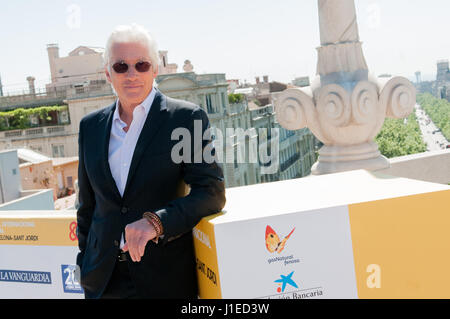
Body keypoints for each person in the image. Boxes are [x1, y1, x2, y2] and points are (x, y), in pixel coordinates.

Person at [76, 24, 226, 299]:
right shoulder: (90, 127)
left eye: (141, 65)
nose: (132, 75)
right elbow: (87, 207)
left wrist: (156, 222)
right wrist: (84, 265)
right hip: (102, 282)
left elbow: (211, 192)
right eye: (121, 66)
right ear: (108, 73)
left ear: (155, 69)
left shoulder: (185, 119)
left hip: (163, 281)